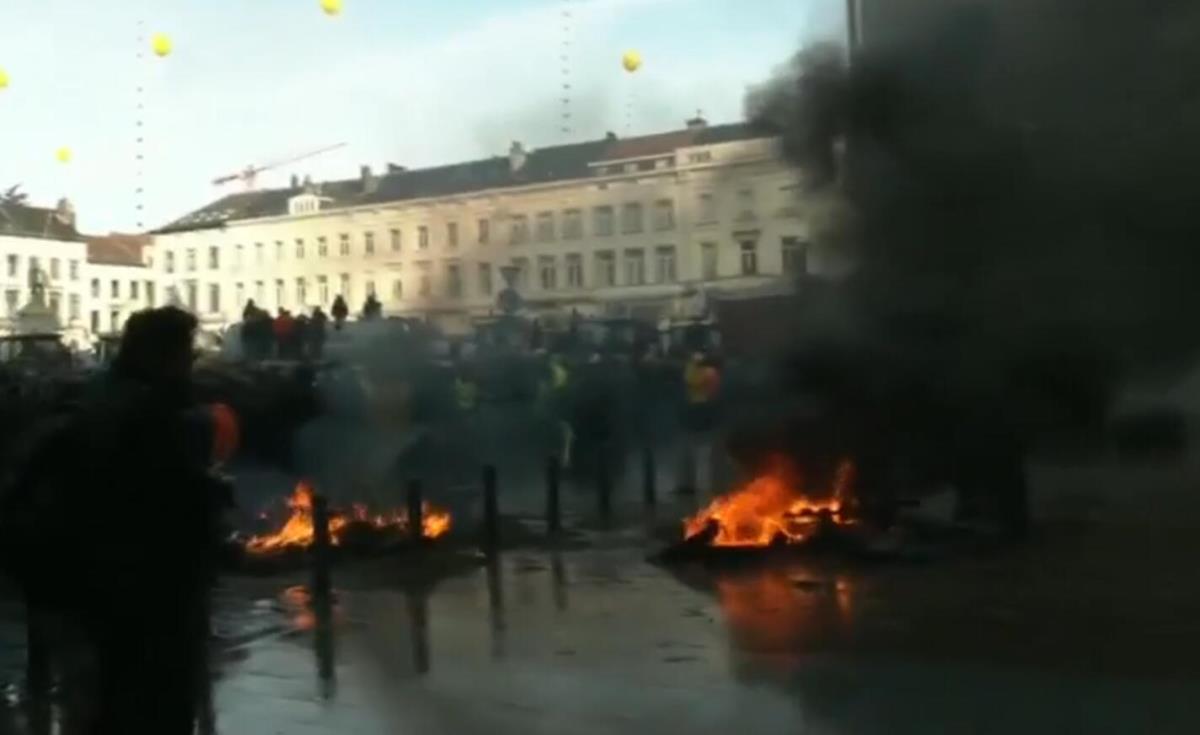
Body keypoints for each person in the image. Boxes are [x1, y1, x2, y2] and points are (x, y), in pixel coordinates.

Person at [1, 306, 238, 734]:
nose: (190, 365)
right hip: (136, 594)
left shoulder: (98, 396)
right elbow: (162, 501)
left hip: (94, 592)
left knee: (100, 707)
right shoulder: (145, 411)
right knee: (144, 708)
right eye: (184, 354)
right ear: (158, 355)